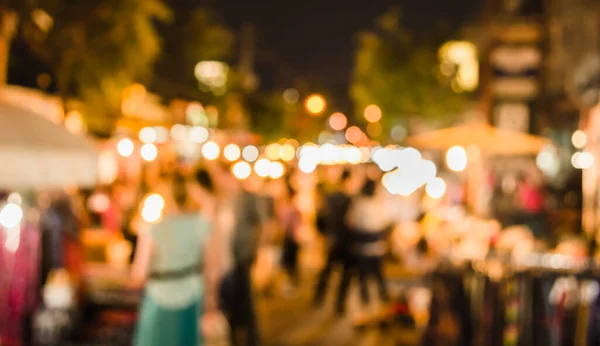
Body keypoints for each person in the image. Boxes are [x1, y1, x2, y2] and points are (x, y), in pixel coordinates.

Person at [131, 174, 212, 346]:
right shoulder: (200, 223)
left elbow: (139, 273)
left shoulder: (153, 227)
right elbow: (210, 266)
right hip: (192, 292)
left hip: (160, 295)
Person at [206, 161, 266, 346]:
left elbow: (262, 225)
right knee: (233, 303)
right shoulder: (220, 200)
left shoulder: (247, 198)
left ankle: (251, 339)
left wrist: (256, 250)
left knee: (246, 302)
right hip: (228, 259)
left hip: (242, 256)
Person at [337, 179, 392, 318]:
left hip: (360, 249)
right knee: (378, 278)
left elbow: (350, 223)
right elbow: (385, 224)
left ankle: (367, 305)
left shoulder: (358, 204)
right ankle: (383, 305)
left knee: (363, 279)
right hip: (375, 249)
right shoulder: (378, 205)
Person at [312, 168, 355, 307]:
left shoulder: (330, 198)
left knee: (327, 271)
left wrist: (324, 234)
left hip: (333, 239)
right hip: (347, 241)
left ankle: (319, 297)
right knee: (344, 274)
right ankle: (340, 304)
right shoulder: (351, 199)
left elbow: (320, 218)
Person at [277, 183, 302, 295]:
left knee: (289, 263)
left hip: (290, 238)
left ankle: (290, 284)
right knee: (288, 263)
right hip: (289, 238)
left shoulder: (290, 208)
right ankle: (288, 284)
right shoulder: (289, 208)